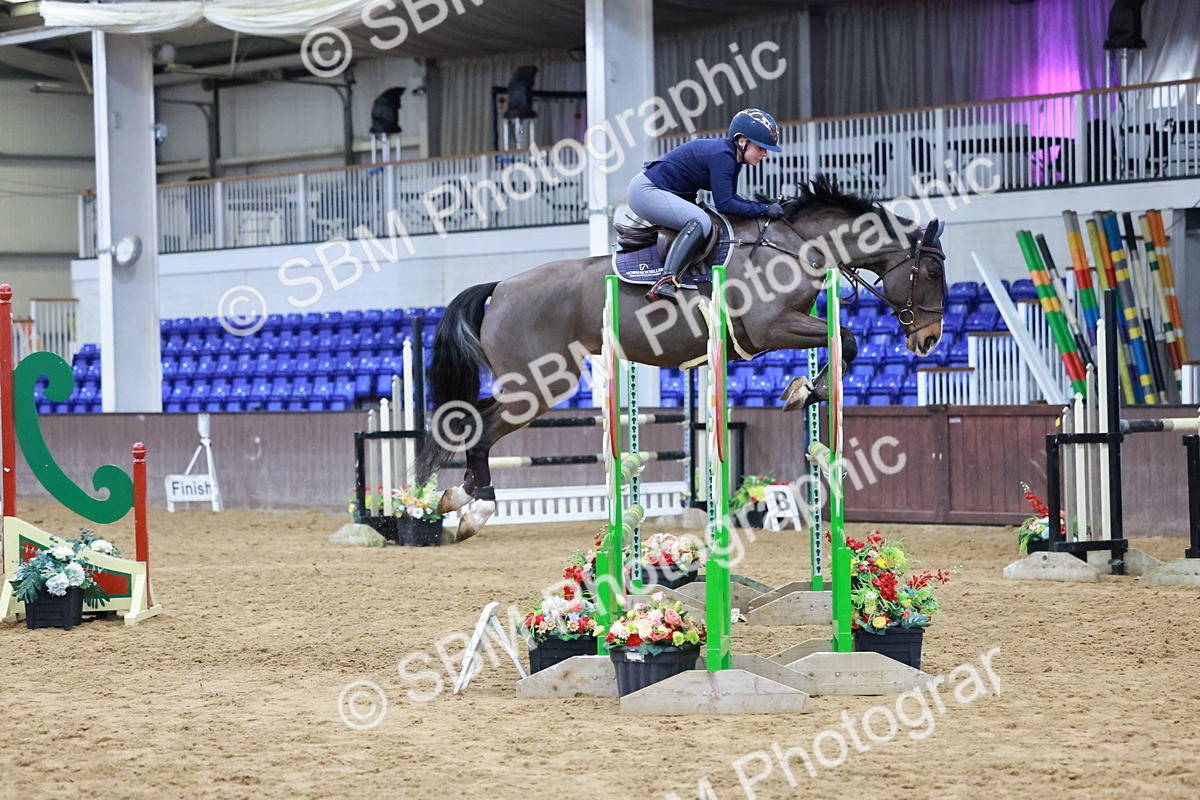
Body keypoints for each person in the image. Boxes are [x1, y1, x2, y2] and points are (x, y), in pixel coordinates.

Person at [628, 108, 786, 302]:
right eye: (761, 148)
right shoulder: (724, 156)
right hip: (646, 190)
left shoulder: (732, 158)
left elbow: (731, 200)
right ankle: (666, 281)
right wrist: (764, 209)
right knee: (701, 221)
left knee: (707, 219)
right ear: (742, 141)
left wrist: (766, 206)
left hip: (658, 190)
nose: (764, 154)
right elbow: (726, 204)